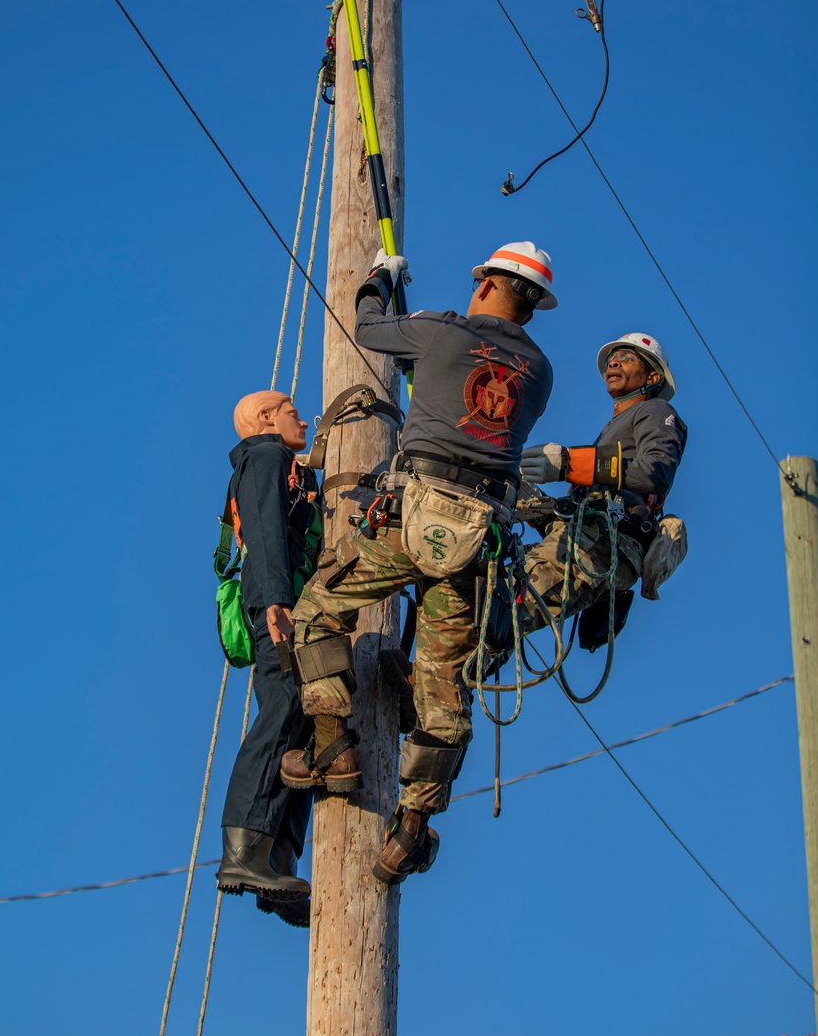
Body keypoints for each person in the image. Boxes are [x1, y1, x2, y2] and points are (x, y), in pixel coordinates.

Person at [280, 241, 556, 886]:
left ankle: (331, 744)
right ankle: (410, 831)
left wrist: (378, 278)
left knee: (316, 612)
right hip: (475, 536)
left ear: (487, 284)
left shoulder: (442, 330)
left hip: (409, 520)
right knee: (442, 692)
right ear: (533, 309)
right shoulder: (540, 372)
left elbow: (370, 327)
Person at [216, 389, 322, 928]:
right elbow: (263, 530)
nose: (299, 416)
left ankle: (277, 859)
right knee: (283, 710)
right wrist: (278, 601)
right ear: (263, 421)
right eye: (289, 410)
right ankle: (243, 851)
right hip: (280, 607)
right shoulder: (265, 457)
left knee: (306, 723)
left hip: (297, 606)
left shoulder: (289, 465)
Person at [519, 332, 687, 635]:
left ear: (652, 376)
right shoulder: (613, 428)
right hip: (588, 534)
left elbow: (656, 471)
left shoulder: (656, 410)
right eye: (612, 359)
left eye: (627, 357)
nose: (614, 362)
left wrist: (570, 464)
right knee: (492, 604)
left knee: (506, 605)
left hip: (608, 539)